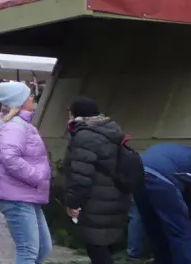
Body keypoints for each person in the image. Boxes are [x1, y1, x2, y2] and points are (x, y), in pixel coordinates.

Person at [0, 81, 52, 264]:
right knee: (28, 250)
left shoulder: (20, 123)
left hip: (26, 193)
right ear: (20, 101)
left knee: (43, 248)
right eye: (29, 96)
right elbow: (10, 158)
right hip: (15, 194)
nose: (32, 98)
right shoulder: (13, 126)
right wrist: (36, 176)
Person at [63, 98, 131, 264]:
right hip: (115, 194)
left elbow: (81, 175)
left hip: (96, 198)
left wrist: (73, 202)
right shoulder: (109, 128)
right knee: (104, 244)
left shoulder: (85, 136)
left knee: (96, 246)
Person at [134, 143, 191, 264]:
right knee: (180, 232)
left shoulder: (177, 153)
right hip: (160, 180)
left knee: (155, 228)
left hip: (136, 177)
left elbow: (182, 194)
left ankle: (162, 261)